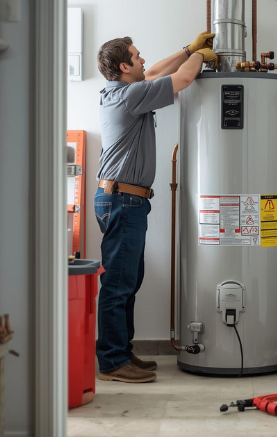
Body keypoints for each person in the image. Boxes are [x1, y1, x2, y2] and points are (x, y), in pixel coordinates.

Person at [94, 32, 217, 383]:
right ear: (123, 66)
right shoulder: (130, 96)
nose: (143, 59)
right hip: (123, 199)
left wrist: (188, 50)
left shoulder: (122, 91)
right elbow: (181, 79)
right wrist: (202, 58)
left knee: (128, 281)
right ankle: (113, 362)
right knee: (119, 284)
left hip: (121, 198)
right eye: (136, 55)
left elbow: (154, 73)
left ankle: (121, 352)